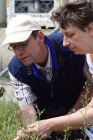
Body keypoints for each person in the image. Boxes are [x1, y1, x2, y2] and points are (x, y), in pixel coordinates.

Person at [11, 0, 93, 140]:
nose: (65, 42)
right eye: (13, 47)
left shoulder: (77, 52)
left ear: (91, 29)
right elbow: (90, 109)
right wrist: (31, 131)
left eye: (70, 34)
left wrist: (50, 125)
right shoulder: (89, 54)